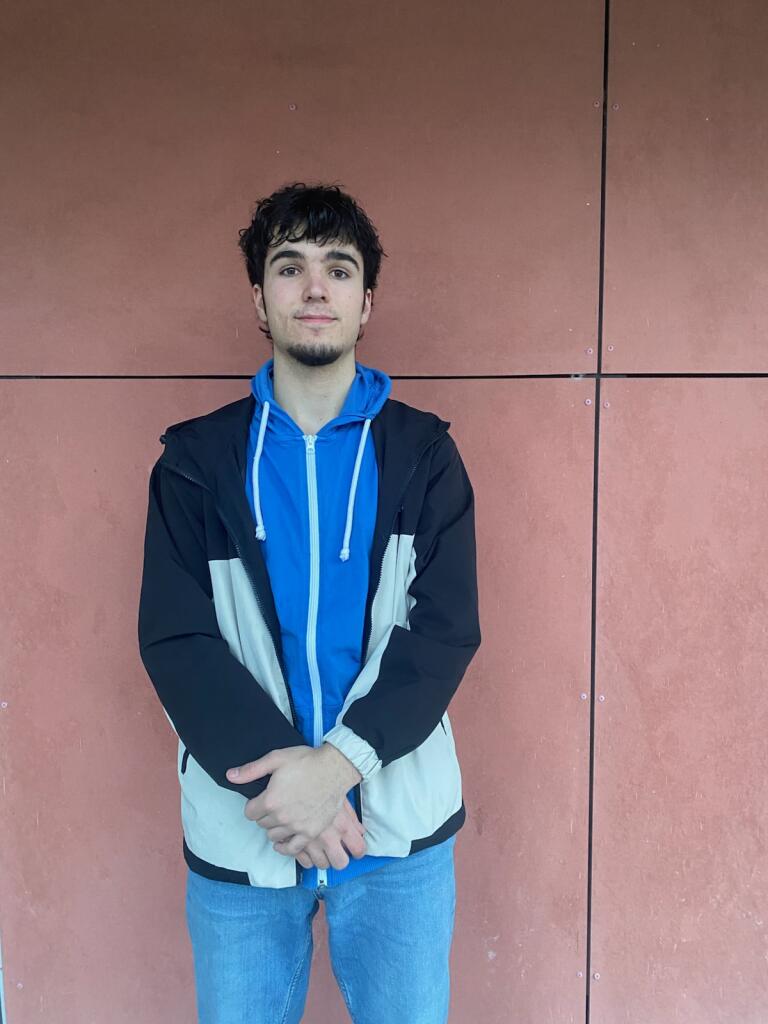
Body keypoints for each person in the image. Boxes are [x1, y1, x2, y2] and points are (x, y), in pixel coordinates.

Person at [137, 181, 481, 1024]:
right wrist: (290, 791)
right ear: (260, 298)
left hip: (395, 839)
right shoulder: (195, 464)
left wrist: (336, 771)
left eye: (339, 268)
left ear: (368, 302)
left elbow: (443, 632)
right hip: (249, 832)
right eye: (290, 268)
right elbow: (176, 640)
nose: (316, 287)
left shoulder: (424, 456)